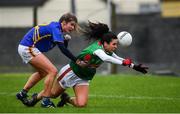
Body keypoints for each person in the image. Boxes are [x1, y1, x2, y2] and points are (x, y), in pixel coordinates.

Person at [26, 21, 148, 108]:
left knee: (81, 104)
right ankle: (35, 98)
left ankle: (66, 99)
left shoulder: (106, 49)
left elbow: (115, 57)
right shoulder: (97, 49)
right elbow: (106, 58)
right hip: (71, 72)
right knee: (52, 94)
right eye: (114, 44)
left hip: (84, 77)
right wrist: (124, 63)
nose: (115, 47)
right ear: (105, 43)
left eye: (116, 44)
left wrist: (133, 66)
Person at [16, 12, 87, 108]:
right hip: (28, 47)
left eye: (74, 26)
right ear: (63, 22)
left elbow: (62, 46)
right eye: (72, 24)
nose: (73, 28)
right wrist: (76, 60)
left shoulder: (56, 29)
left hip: (27, 47)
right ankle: (45, 101)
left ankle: (22, 93)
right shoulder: (56, 29)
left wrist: (65, 41)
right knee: (52, 71)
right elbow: (63, 49)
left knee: (43, 72)